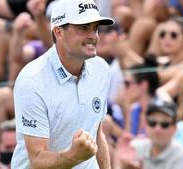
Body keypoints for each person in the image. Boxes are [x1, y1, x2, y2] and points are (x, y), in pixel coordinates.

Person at [11, 0, 114, 168]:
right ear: (58, 32)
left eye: (95, 28)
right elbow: (37, 160)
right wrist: (74, 156)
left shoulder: (101, 68)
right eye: (83, 28)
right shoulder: (32, 80)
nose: (93, 36)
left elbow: (97, 132)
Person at [113, 100, 183, 169]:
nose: (157, 129)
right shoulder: (136, 147)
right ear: (145, 125)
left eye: (165, 124)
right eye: (152, 123)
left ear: (174, 128)